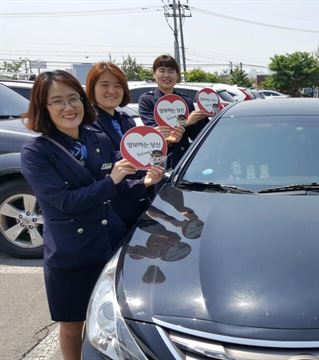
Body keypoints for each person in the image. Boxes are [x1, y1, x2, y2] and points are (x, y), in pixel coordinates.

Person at [20, 70, 164, 360]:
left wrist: (143, 182)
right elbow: (65, 201)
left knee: (112, 320)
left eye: (73, 98)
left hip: (110, 243)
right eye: (57, 101)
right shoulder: (37, 152)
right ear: (42, 107)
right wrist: (112, 180)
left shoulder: (96, 137)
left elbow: (118, 185)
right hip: (71, 253)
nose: (68, 107)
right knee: (73, 325)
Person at [85, 62, 161, 228]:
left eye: (118, 85)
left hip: (139, 202)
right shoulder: (88, 124)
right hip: (113, 209)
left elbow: (141, 158)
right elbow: (102, 165)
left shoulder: (125, 120)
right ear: (92, 88)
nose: (112, 91)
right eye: (105, 85)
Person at [138, 55, 209, 169]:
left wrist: (203, 116)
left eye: (171, 71)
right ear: (154, 74)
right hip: (159, 163)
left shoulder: (185, 100)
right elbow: (157, 132)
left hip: (183, 161)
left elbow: (196, 135)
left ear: (177, 75)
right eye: (162, 71)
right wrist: (186, 122)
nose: (166, 75)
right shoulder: (147, 100)